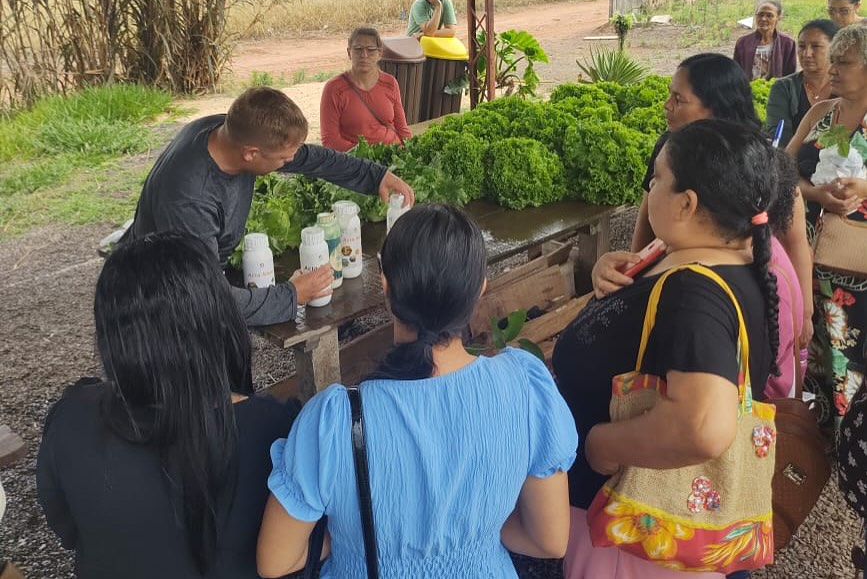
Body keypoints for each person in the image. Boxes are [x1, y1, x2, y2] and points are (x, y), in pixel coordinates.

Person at [257, 203, 578, 578]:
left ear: (387, 288)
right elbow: (549, 541)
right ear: (480, 288)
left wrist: (351, 539)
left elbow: (276, 561)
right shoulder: (526, 388)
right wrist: (477, 534)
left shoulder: (335, 420)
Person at [553, 120, 779, 579]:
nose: (650, 188)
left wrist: (601, 445)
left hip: (635, 531)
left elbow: (702, 426)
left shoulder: (696, 293)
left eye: (657, 178)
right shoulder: (722, 255)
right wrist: (610, 273)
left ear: (687, 203)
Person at [36, 232, 302, 579]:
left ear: (111, 337)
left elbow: (68, 530)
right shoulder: (278, 432)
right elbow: (311, 545)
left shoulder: (71, 418)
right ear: (220, 320)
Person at [121, 86, 414, 327]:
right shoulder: (190, 199)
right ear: (251, 154)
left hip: (197, 265)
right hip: (156, 297)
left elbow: (311, 158)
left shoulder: (230, 133)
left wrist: (376, 176)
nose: (290, 162)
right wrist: (292, 294)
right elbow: (205, 299)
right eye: (283, 160)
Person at [621, 53, 813, 350]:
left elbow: (795, 239)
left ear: (715, 107)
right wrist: (633, 280)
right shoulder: (669, 151)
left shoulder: (758, 161)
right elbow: (646, 221)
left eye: (678, 99)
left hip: (741, 305)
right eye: (669, 95)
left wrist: (805, 312)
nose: (667, 105)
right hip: (673, 292)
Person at [785, 23, 867, 420]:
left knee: (853, 363)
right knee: (814, 357)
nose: (832, 69)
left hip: (857, 272)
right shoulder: (822, 113)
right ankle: (818, 435)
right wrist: (815, 193)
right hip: (806, 260)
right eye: (832, 60)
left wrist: (863, 189)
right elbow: (782, 168)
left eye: (844, 63)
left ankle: (850, 438)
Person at [320, 27, 411, 152]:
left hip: (393, 153)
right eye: (358, 49)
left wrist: (409, 151)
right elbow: (330, 141)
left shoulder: (390, 83)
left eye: (371, 50)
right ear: (349, 53)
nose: (364, 55)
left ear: (380, 53)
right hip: (356, 159)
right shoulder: (334, 88)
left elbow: (402, 129)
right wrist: (366, 157)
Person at [765, 19, 838, 147]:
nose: (807, 54)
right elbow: (780, 137)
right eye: (802, 46)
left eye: (816, 46)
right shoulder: (783, 87)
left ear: (834, 49)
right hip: (791, 156)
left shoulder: (847, 88)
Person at [733, 0, 797, 80]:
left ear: (778, 18)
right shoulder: (743, 43)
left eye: (769, 15)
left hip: (777, 87)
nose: (763, 18)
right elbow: (736, 73)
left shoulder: (788, 44)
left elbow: (791, 76)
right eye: (760, 14)